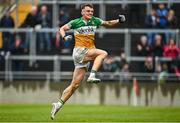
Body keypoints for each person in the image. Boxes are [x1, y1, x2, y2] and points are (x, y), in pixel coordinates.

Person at [50, 3, 125, 120]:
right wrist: (64, 37)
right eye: (88, 11)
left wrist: (119, 20)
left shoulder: (95, 20)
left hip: (86, 53)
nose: (90, 13)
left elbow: (108, 23)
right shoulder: (75, 22)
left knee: (74, 85)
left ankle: (58, 104)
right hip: (80, 52)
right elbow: (62, 29)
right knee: (103, 53)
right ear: (82, 12)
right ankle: (92, 75)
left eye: (91, 11)